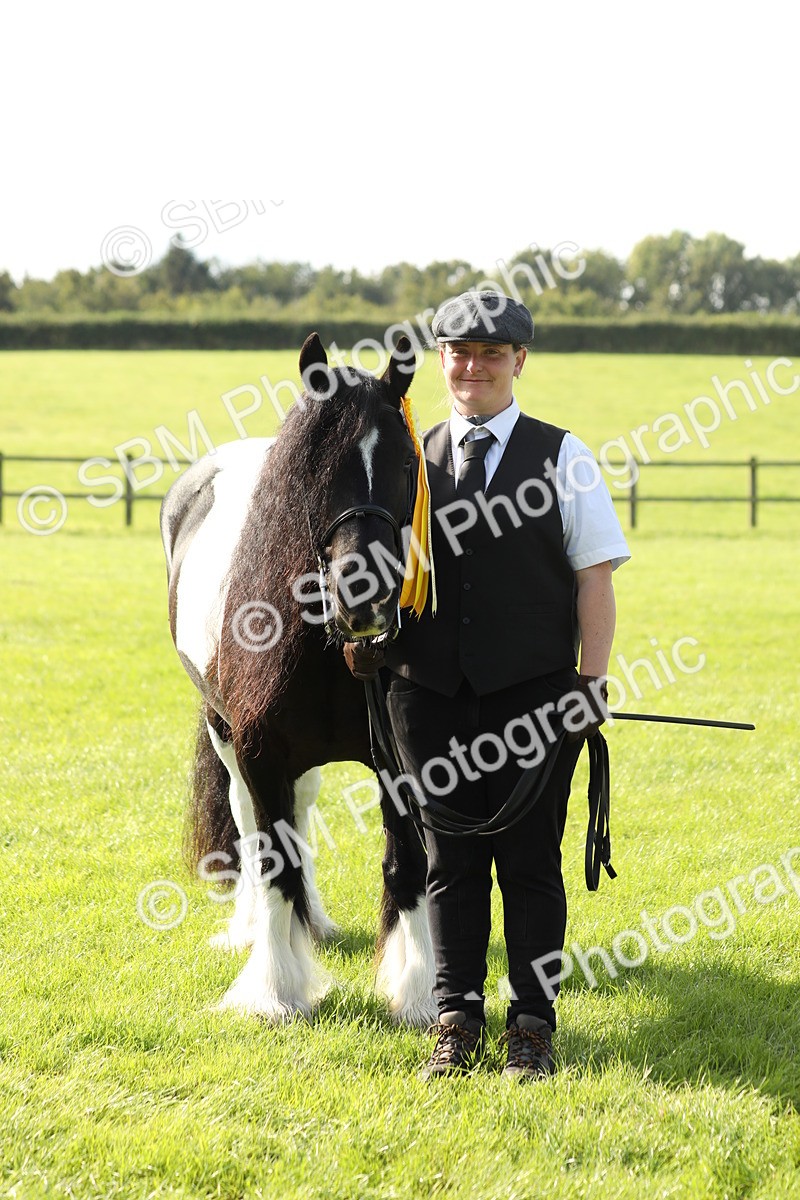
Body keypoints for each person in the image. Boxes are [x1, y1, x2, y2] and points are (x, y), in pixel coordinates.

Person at [345, 290, 630, 1080]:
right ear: (442, 360)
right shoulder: (409, 455)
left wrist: (592, 681)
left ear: (519, 362)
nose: (472, 367)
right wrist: (368, 641)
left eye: (491, 354)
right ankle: (456, 1020)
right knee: (449, 862)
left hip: (534, 696)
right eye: (459, 353)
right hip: (425, 695)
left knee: (530, 862)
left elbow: (594, 575)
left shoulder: (563, 455)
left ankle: (532, 1026)